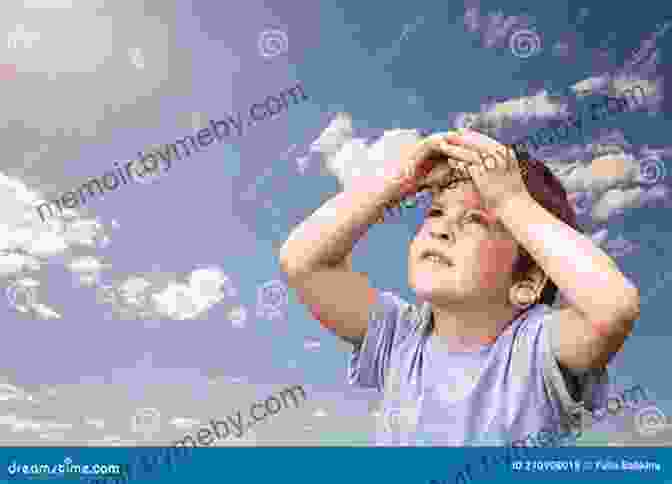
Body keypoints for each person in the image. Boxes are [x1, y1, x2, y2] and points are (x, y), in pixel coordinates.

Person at [279, 128, 640, 445]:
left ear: (527, 281)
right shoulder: (399, 339)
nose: (440, 228)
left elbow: (613, 308)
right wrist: (399, 181)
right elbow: (303, 261)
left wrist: (510, 199)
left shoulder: (536, 349)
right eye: (435, 212)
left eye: (474, 220)